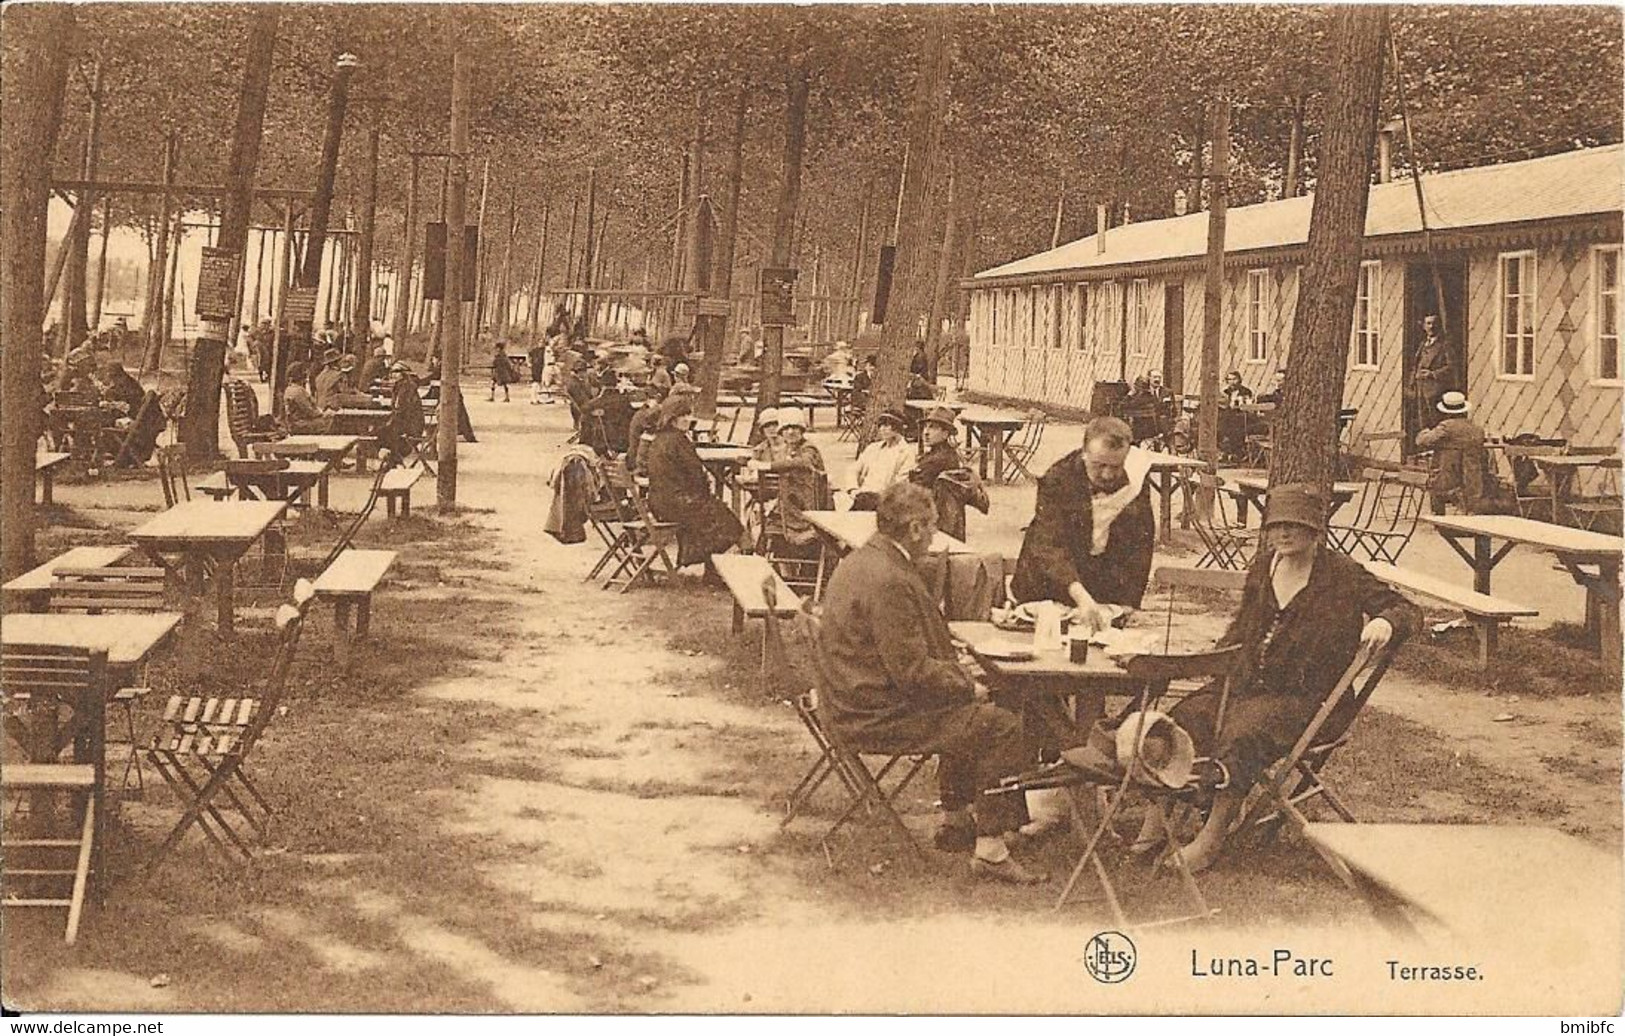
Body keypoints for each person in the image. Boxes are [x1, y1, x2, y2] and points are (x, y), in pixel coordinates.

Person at [1154, 485, 1420, 872]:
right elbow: (1245, 625)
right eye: (1277, 525)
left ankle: (1212, 836)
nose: (1285, 534)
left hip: (1309, 699)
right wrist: (1219, 661)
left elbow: (1406, 609)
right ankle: (1155, 827)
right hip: (1250, 682)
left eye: (1296, 525)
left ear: (1315, 530)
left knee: (1243, 734)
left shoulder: (1341, 574)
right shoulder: (1266, 565)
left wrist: (1384, 620)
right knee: (1185, 716)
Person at [817, 482, 1044, 884]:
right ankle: (991, 850)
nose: (935, 535)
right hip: (873, 714)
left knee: (971, 712)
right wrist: (966, 684)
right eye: (933, 526)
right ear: (917, 529)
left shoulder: (860, 560)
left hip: (851, 699)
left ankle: (957, 820)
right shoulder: (890, 579)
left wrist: (956, 676)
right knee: (1001, 722)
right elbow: (913, 673)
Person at [1010, 416, 1155, 632]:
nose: (1108, 474)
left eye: (1116, 466)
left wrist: (1129, 602)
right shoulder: (1057, 479)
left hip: (1099, 583)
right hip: (1047, 585)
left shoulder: (1135, 479)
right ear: (1084, 453)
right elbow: (1049, 544)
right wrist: (1080, 596)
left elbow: (1140, 545)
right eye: (1099, 465)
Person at [643, 391, 745, 569]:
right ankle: (720, 567)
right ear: (672, 418)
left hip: (659, 503)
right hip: (678, 503)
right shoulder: (678, 441)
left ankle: (708, 566)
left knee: (714, 513)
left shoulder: (659, 439)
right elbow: (696, 474)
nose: (689, 419)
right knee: (726, 519)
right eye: (684, 415)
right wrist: (705, 492)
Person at [1416, 391, 1505, 514]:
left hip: (1447, 476)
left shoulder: (1446, 427)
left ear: (1445, 411)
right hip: (1472, 477)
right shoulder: (1476, 429)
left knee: (1435, 481)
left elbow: (1422, 441)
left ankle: (1438, 515)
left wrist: (1425, 431)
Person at [748, 410, 825, 551]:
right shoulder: (787, 449)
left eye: (795, 428)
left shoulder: (808, 448)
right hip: (790, 507)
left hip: (813, 508)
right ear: (781, 432)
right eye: (786, 429)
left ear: (802, 430)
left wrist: (767, 466)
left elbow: (803, 462)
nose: (790, 432)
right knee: (764, 521)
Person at [850, 409, 915, 510]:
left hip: (885, 502)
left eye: (887, 425)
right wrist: (853, 489)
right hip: (862, 496)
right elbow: (854, 469)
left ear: (898, 427)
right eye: (880, 425)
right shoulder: (873, 448)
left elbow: (901, 483)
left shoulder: (906, 453)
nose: (882, 429)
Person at [1413, 313, 1457, 431]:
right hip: (1421, 389)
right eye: (1428, 323)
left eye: (1434, 323)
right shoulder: (1423, 344)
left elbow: (1451, 367)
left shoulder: (1444, 345)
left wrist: (1432, 374)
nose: (1431, 327)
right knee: (1423, 423)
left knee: (1435, 422)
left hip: (1436, 391)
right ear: (1423, 326)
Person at [908, 407, 965, 489]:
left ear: (945, 434)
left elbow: (915, 489)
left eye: (933, 427)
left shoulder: (938, 460)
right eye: (925, 427)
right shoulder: (945, 452)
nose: (926, 432)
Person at [379, 361, 425, 458]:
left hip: (411, 428)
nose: (393, 374)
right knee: (379, 431)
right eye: (392, 372)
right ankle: (389, 460)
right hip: (406, 423)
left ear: (403, 374)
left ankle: (390, 460)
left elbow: (401, 408)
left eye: (396, 372)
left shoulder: (406, 387)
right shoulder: (401, 385)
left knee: (379, 433)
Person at [585, 369, 635, 457]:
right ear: (616, 384)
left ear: (602, 385)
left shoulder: (596, 403)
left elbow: (585, 410)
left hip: (602, 444)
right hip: (622, 442)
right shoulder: (624, 400)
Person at [282, 362, 330, 433]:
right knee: (328, 422)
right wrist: (322, 413)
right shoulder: (299, 391)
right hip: (301, 424)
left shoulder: (289, 389)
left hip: (293, 423)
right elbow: (308, 410)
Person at [528, 338, 552, 404]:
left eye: (542, 342)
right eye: (540, 342)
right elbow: (529, 356)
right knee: (536, 383)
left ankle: (538, 398)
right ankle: (533, 398)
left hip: (542, 368)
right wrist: (529, 363)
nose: (541, 344)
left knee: (541, 384)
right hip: (536, 368)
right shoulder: (535, 350)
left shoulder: (545, 350)